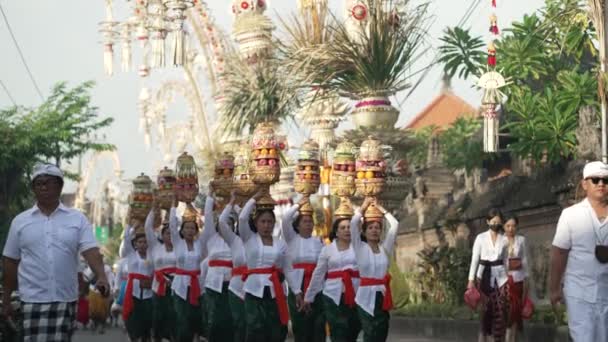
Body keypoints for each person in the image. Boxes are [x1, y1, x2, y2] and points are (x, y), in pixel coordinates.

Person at [2, 163, 109, 342]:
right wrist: (6, 300)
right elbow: (10, 261)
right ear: (33, 189)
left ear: (59, 186)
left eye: (49, 182)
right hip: (31, 300)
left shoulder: (77, 219)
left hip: (64, 299)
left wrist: (101, 276)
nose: (44, 187)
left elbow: (91, 251)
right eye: (39, 183)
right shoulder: (20, 222)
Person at [551, 161, 608, 341]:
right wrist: (554, 289)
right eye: (595, 180)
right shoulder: (571, 215)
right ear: (584, 184)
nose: (601, 184)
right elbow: (559, 252)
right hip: (579, 292)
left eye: (605, 180)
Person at [238, 193, 299, 342]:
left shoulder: (280, 244)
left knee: (277, 330)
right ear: (256, 223)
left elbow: (288, 269)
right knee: (255, 328)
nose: (266, 225)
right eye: (263, 221)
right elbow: (242, 218)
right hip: (254, 291)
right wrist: (254, 198)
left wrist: (297, 291)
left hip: (275, 291)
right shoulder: (249, 238)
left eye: (270, 222)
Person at [305, 208, 362, 342]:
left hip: (356, 294)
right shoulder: (327, 250)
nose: (347, 230)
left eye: (349, 227)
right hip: (332, 295)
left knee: (354, 328)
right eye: (343, 227)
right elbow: (318, 274)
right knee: (338, 330)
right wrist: (309, 296)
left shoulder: (360, 247)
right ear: (336, 232)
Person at [350, 198, 398, 342]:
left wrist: (381, 209)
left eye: (377, 227)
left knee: (381, 332)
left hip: (382, 296)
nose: (374, 230)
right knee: (370, 333)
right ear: (364, 232)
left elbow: (395, 225)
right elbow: (353, 224)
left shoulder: (385, 248)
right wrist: (363, 207)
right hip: (364, 297)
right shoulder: (360, 248)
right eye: (370, 228)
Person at [281, 200, 325, 342]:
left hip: (317, 287)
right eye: (305, 221)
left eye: (310, 221)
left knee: (318, 326)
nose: (308, 224)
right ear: (297, 225)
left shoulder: (319, 241)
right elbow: (286, 219)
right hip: (297, 287)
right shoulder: (291, 239)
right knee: (300, 327)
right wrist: (298, 205)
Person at [198, 192, 236, 341]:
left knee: (230, 321)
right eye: (224, 224)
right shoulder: (212, 238)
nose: (226, 227)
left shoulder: (236, 242)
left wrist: (235, 204)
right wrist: (210, 196)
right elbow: (208, 215)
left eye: (230, 224)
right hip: (213, 285)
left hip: (231, 286)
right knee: (214, 321)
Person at [468, 208, 509, 342]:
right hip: (483, 276)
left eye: (498, 222)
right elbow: (475, 259)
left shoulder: (504, 240)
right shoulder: (480, 238)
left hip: (501, 279)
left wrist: (509, 278)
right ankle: (483, 337)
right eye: (493, 221)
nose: (495, 224)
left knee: (500, 313)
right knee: (485, 313)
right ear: (487, 222)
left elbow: (506, 260)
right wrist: (471, 280)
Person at [169, 198, 206, 342]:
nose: (190, 231)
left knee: (195, 319)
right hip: (180, 287)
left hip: (197, 286)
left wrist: (194, 207)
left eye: (192, 228)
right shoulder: (177, 243)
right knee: (182, 320)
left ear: (196, 231)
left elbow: (207, 225)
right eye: (187, 228)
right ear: (182, 231)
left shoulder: (200, 244)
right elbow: (172, 226)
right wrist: (173, 206)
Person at [144, 206, 177, 342]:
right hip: (159, 285)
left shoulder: (180, 247)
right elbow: (147, 228)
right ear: (162, 235)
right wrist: (154, 208)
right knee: (158, 316)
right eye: (166, 233)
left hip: (176, 285)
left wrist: (173, 208)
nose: (169, 235)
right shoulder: (155, 247)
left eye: (171, 233)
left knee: (174, 315)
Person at [218, 192, 248, 342]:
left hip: (256, 288)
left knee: (253, 326)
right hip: (236, 288)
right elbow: (222, 222)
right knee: (239, 324)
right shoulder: (234, 240)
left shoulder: (259, 240)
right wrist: (232, 204)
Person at [121, 225, 154, 342]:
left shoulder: (151, 255)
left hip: (148, 293)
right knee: (132, 321)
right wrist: (132, 226)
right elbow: (126, 238)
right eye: (140, 242)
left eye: (145, 242)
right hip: (133, 292)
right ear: (135, 244)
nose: (143, 244)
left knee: (146, 323)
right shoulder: (131, 254)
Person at [503, 215, 529, 342]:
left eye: (513, 226)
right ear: (504, 226)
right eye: (508, 226)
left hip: (518, 280)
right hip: (505, 281)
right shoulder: (500, 241)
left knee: (516, 310)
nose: (511, 229)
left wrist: (527, 278)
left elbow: (524, 259)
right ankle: (508, 337)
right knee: (508, 311)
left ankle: (512, 338)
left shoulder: (521, 240)